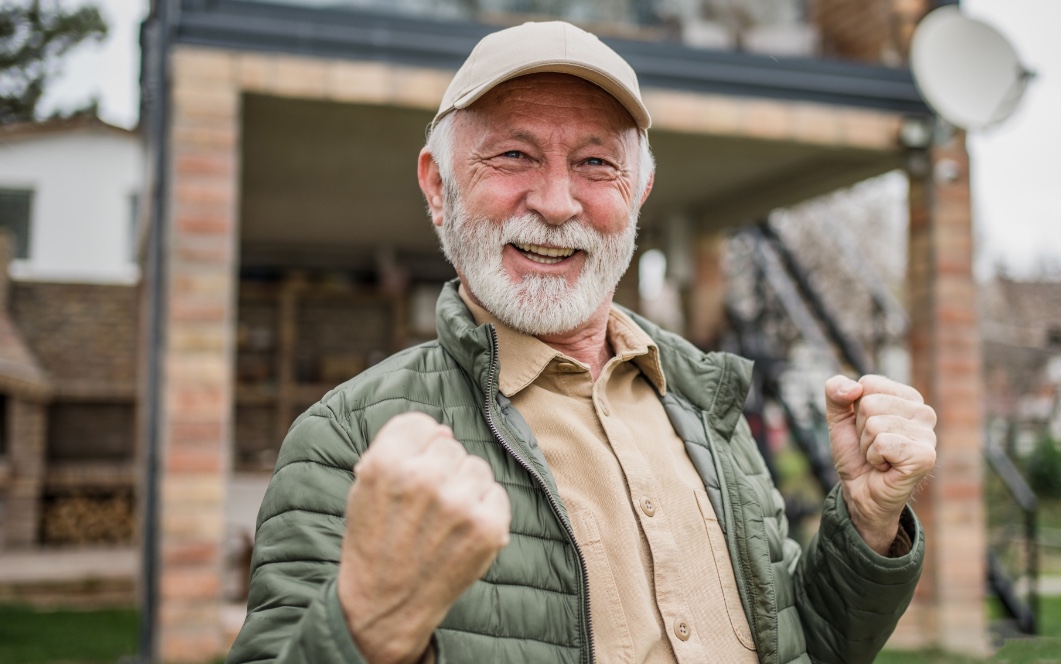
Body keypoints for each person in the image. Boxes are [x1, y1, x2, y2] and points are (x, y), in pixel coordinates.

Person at [228, 20, 937, 664]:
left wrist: (868, 523)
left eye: (597, 163)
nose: (558, 202)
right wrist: (366, 627)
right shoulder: (345, 440)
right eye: (513, 155)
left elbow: (805, 645)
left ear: (641, 190)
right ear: (438, 186)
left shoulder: (704, 400)